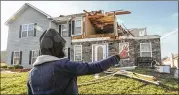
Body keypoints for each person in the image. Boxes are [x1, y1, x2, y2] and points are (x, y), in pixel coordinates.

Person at [27, 28, 129, 95]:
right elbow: (94, 67)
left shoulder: (31, 73)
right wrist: (118, 56)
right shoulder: (63, 66)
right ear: (57, 47)